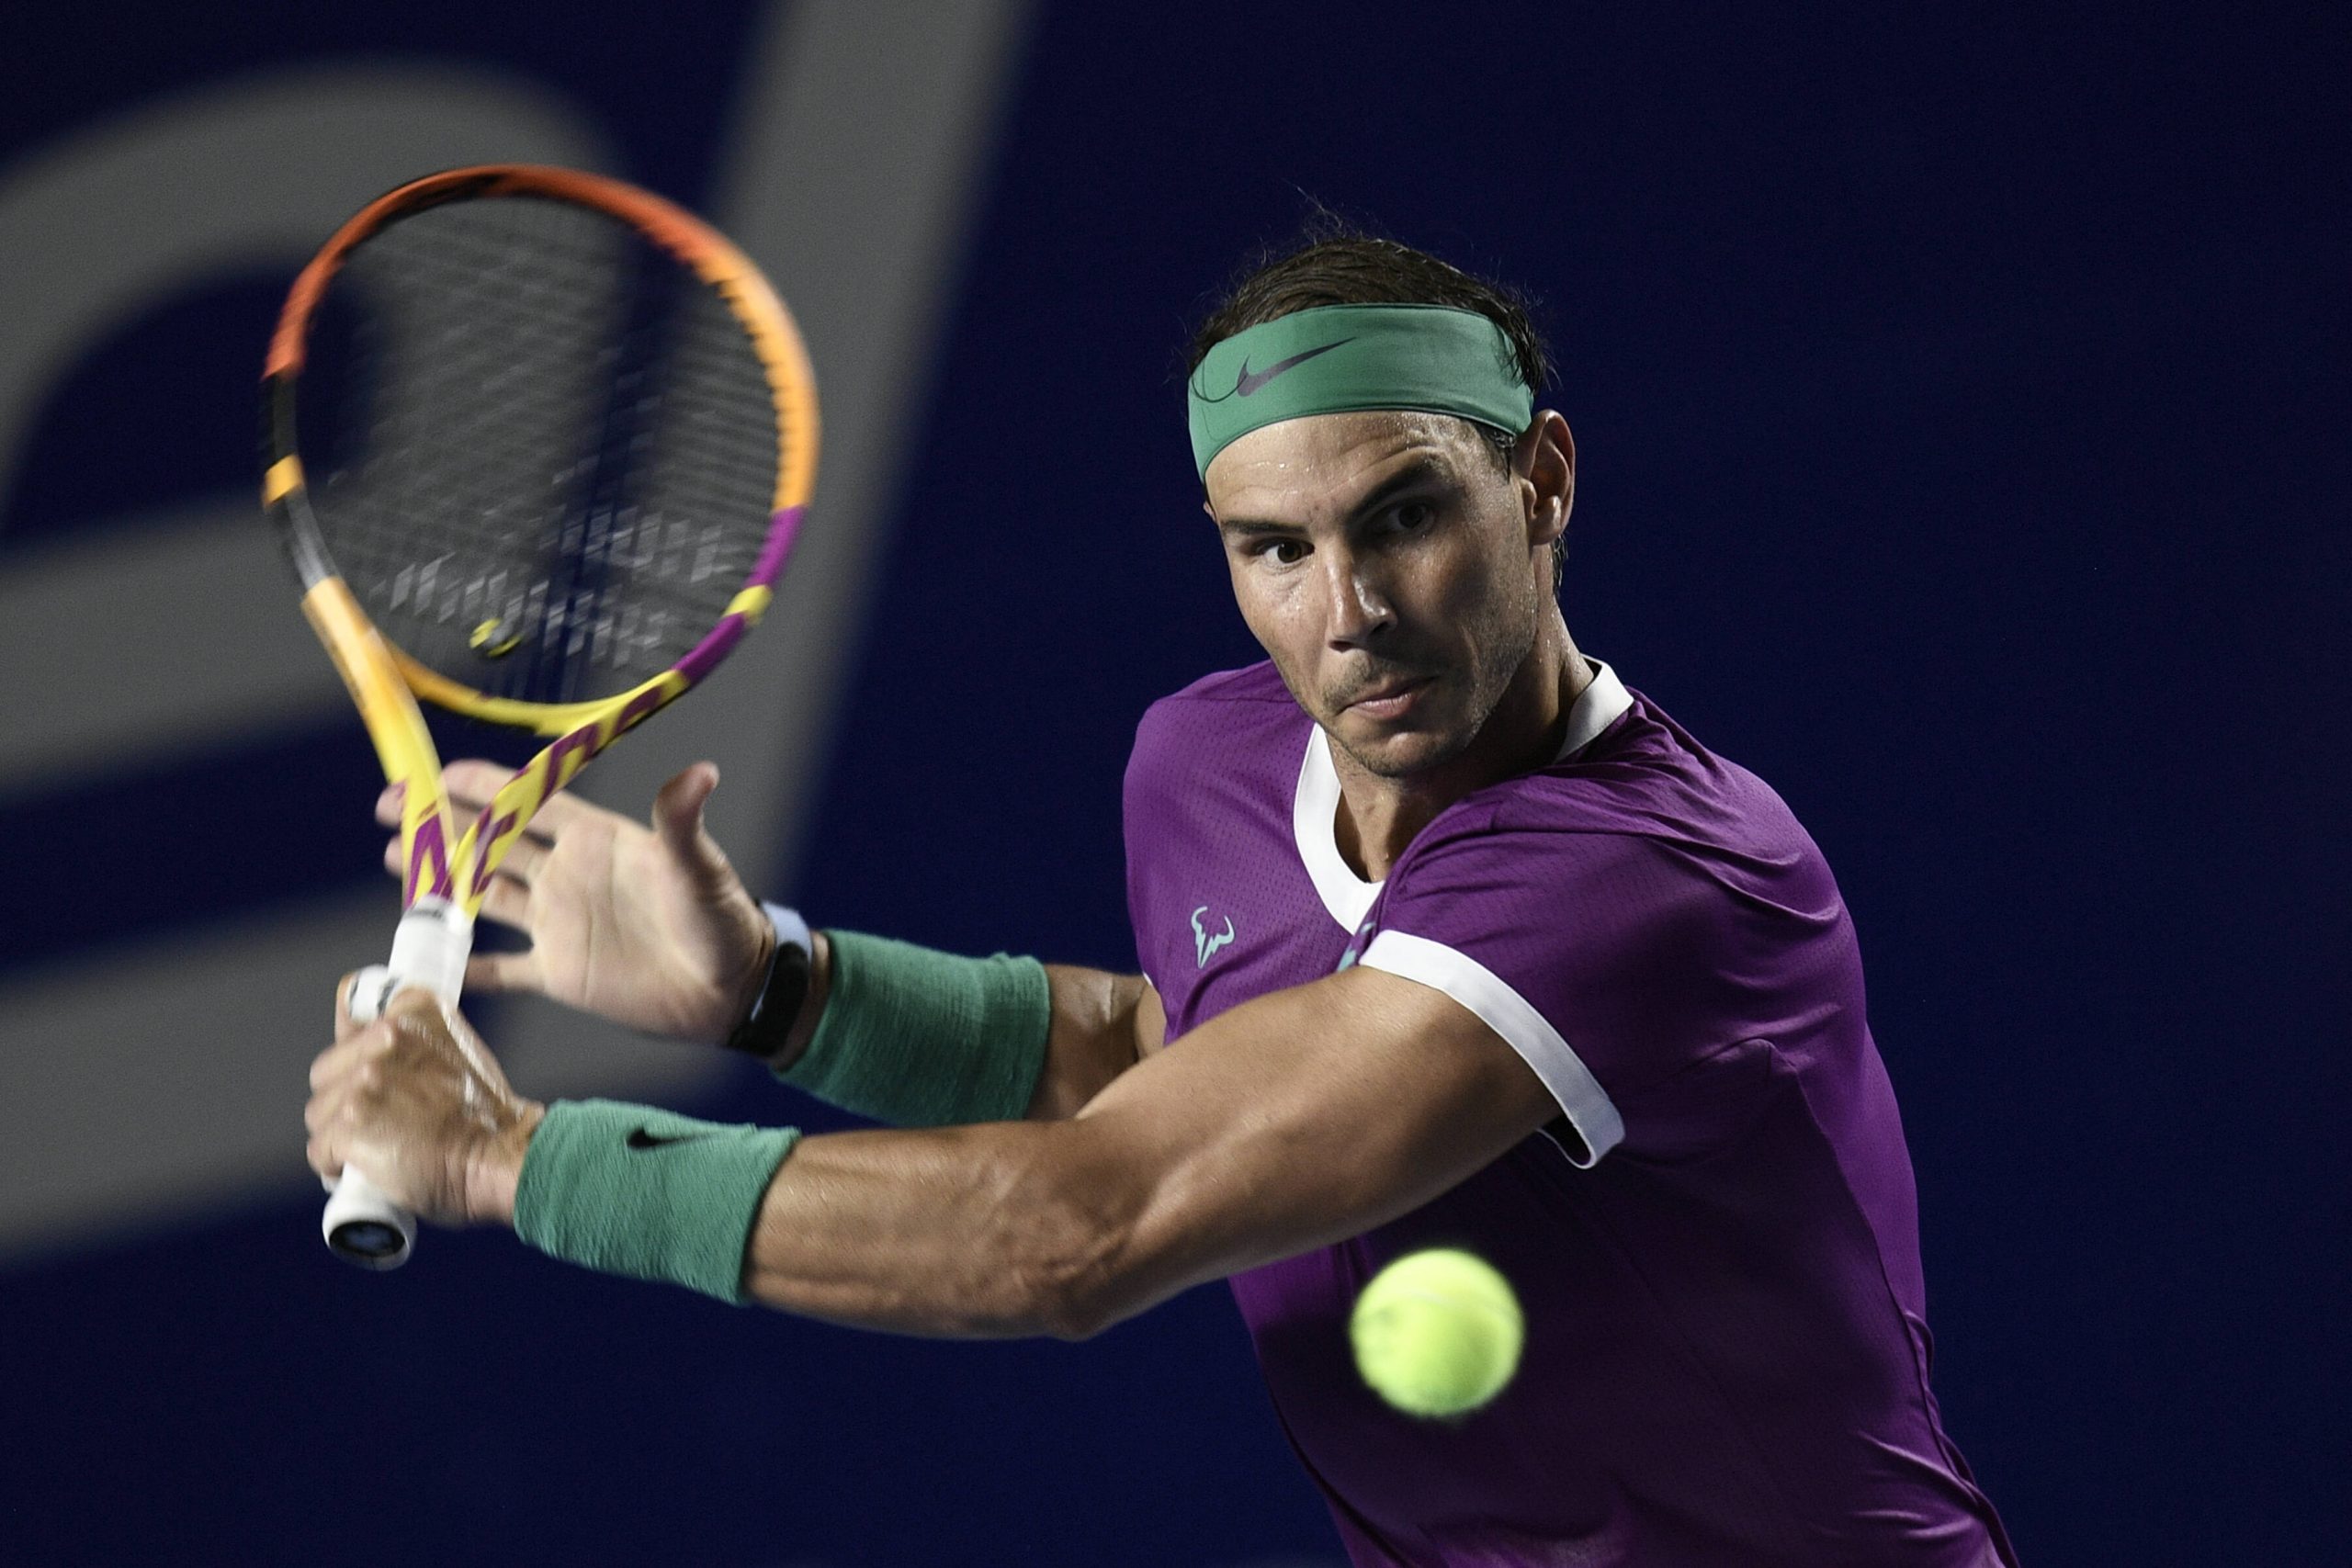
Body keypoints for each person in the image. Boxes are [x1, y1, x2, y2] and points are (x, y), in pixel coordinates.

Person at [305, 230, 2017, 1567]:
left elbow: (1083, 1228)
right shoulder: (1203, 763)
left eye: (1404, 514)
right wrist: (783, 988)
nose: (1347, 613)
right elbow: (1180, 1050)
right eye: (1274, 548)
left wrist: (511, 1156)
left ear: (1544, 480)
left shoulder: (1646, 876)